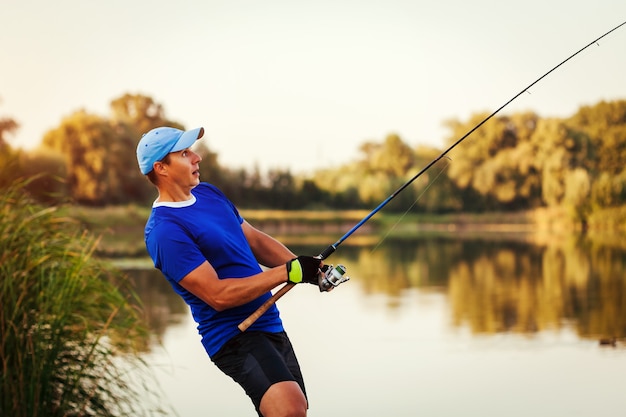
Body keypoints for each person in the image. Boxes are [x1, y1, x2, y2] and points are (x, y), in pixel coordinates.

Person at [136, 126, 325, 417]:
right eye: (185, 154)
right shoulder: (164, 231)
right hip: (233, 336)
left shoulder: (209, 194)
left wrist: (311, 270)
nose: (197, 158)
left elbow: (254, 239)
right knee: (289, 409)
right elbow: (218, 295)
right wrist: (287, 272)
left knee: (295, 409)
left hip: (269, 323)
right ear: (161, 168)